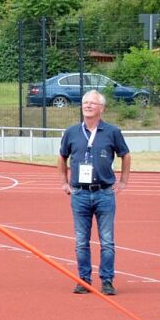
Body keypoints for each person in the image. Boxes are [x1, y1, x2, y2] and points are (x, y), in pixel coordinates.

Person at [58, 89, 131, 296]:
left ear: (102, 108)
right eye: (85, 103)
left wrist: (124, 181)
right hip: (80, 194)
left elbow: (125, 155)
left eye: (92, 103)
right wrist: (63, 182)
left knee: (107, 240)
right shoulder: (72, 132)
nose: (88, 106)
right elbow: (62, 156)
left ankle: (107, 280)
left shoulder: (112, 132)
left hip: (104, 193)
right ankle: (84, 279)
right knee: (81, 241)